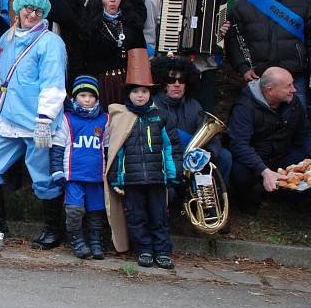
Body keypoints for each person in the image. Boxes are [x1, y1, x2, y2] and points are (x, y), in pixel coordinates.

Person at [0, 0, 67, 249]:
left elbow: (53, 83)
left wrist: (45, 119)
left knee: (44, 177)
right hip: (9, 119)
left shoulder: (50, 42)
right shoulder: (6, 39)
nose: (32, 15)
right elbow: (0, 78)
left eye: (38, 11)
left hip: (37, 122)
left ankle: (54, 230)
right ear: (18, 10)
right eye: (28, 9)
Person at [105, 50, 183, 269]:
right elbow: (114, 151)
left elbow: (171, 147)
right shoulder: (121, 118)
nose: (140, 96)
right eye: (136, 91)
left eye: (144, 92)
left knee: (159, 217)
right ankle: (144, 249)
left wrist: (173, 173)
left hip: (157, 179)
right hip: (132, 180)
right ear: (128, 94)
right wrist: (116, 178)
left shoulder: (161, 117)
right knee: (137, 218)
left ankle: (163, 251)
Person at [144, 0, 222, 112]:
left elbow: (219, 26)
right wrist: (155, 62)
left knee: (203, 114)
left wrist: (220, 33)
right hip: (171, 69)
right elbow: (149, 32)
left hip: (203, 66)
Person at [225, 0, 311, 107]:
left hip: (295, 74)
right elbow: (233, 40)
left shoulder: (302, 0)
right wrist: (243, 67)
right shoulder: (242, 4)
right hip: (260, 76)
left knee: (298, 123)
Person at [227, 67, 311, 209]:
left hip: (282, 155)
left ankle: (285, 196)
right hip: (255, 160)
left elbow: (304, 133)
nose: (294, 89)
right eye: (288, 86)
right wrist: (263, 170)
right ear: (270, 90)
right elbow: (239, 145)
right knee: (240, 174)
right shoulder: (244, 108)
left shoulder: (293, 102)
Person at [150, 55, 232, 190]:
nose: (177, 84)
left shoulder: (194, 105)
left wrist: (209, 153)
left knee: (224, 156)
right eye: (171, 79)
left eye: (181, 80)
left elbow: (212, 135)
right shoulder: (153, 105)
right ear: (163, 82)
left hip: (194, 156)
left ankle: (216, 196)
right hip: (167, 156)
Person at [50, 76, 109, 260]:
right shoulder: (68, 119)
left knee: (96, 211)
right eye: (82, 95)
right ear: (74, 97)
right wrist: (57, 170)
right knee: (74, 210)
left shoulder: (104, 119)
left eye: (91, 96)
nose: (87, 99)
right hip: (73, 176)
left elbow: (107, 148)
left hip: (96, 177)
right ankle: (76, 238)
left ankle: (95, 240)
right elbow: (58, 147)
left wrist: (110, 172)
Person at [81, 0, 147, 107]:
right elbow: (82, 61)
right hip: (100, 83)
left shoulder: (131, 24)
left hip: (129, 83)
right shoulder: (90, 26)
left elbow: (140, 56)